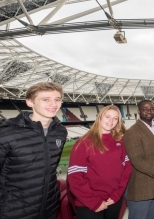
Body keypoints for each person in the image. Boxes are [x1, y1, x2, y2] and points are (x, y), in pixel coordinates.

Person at [0, 82, 67, 219]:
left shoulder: (60, 131)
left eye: (57, 99)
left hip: (49, 208)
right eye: (46, 99)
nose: (53, 104)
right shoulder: (7, 133)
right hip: (14, 211)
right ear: (30, 102)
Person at [68, 105, 132, 219]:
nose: (111, 121)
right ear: (100, 117)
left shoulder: (120, 142)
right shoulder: (83, 142)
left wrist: (117, 195)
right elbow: (75, 178)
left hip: (113, 201)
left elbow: (126, 170)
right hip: (89, 203)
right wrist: (94, 202)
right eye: (108, 116)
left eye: (115, 118)